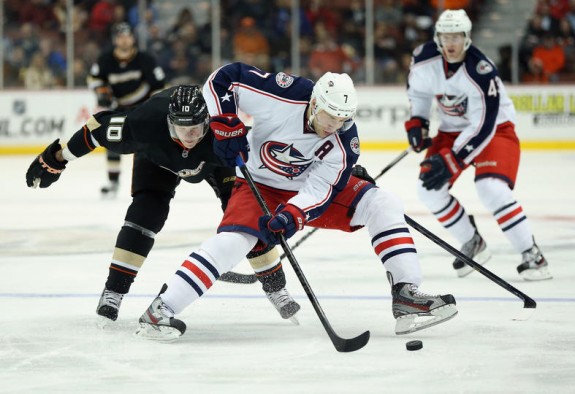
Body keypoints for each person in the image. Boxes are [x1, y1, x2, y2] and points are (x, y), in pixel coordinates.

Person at [134, 63, 458, 341]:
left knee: (382, 202)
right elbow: (224, 79)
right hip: (258, 182)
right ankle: (162, 309)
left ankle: (406, 294)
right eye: (330, 116)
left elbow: (320, 189)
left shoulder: (345, 141)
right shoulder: (285, 93)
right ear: (315, 102)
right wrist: (223, 121)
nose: (333, 126)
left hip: (303, 189)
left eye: (342, 119)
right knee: (234, 241)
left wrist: (292, 216)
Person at [25, 85, 300, 325]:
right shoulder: (144, 123)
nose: (190, 136)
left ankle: (277, 288)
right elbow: (95, 131)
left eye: (195, 128)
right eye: (182, 128)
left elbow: (274, 158)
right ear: (169, 122)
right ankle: (114, 292)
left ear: (208, 121)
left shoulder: (224, 131)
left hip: (217, 161)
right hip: (157, 159)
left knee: (249, 218)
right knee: (144, 215)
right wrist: (57, 158)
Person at [404, 9, 552, 281]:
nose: (451, 43)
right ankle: (473, 242)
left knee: (491, 189)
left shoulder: (481, 70)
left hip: (495, 130)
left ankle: (532, 254)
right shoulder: (424, 59)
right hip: (452, 132)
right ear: (438, 37)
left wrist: (452, 159)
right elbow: (419, 92)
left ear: (467, 38)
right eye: (445, 36)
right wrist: (417, 122)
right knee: (428, 189)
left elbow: (482, 125)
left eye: (457, 37)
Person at [87, 22, 166, 197]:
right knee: (112, 141)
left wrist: (154, 107)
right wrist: (101, 92)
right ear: (115, 39)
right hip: (119, 109)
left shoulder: (145, 59)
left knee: (148, 147)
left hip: (143, 110)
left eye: (127, 36)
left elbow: (158, 85)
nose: (124, 40)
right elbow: (94, 79)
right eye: (120, 37)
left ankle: (152, 181)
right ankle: (113, 181)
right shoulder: (105, 60)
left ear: (132, 38)